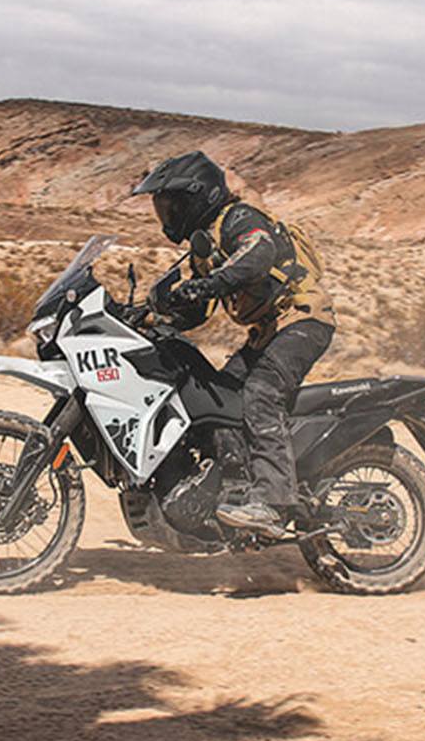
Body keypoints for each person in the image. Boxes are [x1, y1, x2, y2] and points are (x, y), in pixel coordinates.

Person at [130, 151, 336, 537]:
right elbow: (199, 310)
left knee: (259, 393)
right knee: (221, 399)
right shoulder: (206, 245)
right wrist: (151, 316)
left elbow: (259, 255)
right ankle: (235, 489)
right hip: (269, 331)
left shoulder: (240, 220)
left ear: (197, 196)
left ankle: (272, 502)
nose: (166, 216)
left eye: (171, 206)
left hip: (303, 320)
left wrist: (211, 283)